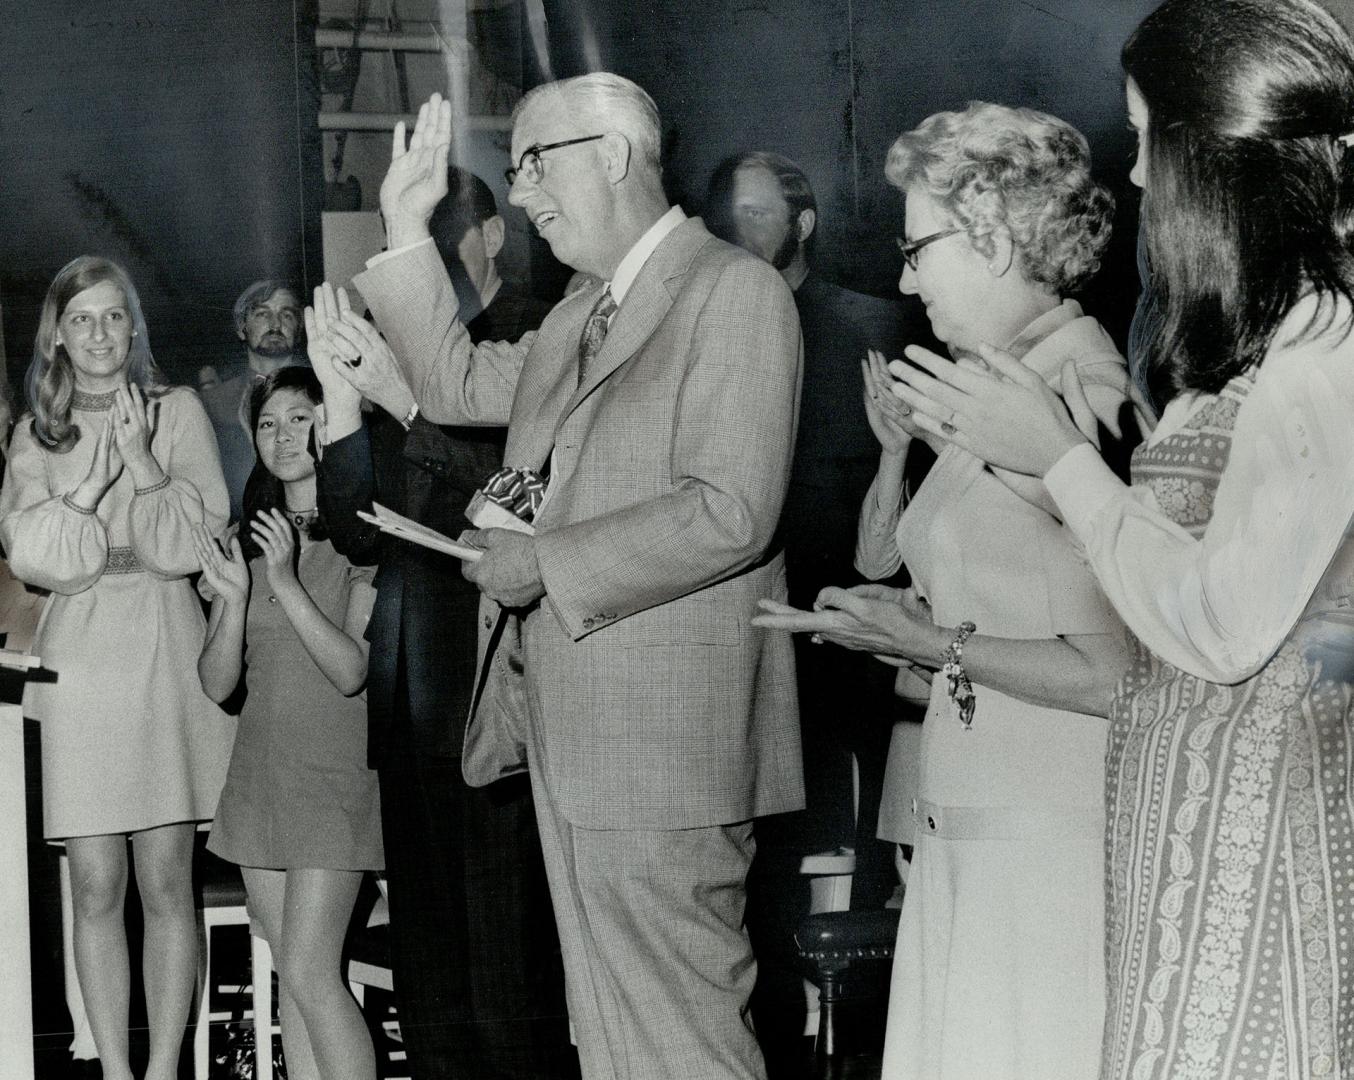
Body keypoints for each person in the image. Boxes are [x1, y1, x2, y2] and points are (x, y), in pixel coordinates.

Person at [888, 2, 1354, 1076]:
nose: (1136, 175)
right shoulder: (1260, 345)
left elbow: (1225, 627)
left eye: (1147, 137)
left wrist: (1059, 464)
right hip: (1179, 835)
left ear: (1215, 155)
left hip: (1251, 849)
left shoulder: (1323, 350)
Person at [321, 76, 804, 1080]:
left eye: (537, 161)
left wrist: (540, 561)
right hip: (577, 744)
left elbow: (729, 509)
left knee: (686, 1039)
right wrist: (405, 226)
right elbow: (453, 385)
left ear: (616, 154)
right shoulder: (583, 314)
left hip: (665, 750)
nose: (524, 189)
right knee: (619, 1044)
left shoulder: (733, 292)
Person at [754, 102, 1136, 1080]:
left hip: (1043, 857)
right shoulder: (1001, 386)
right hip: (969, 837)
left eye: (918, 247)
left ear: (995, 239)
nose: (903, 276)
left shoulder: (1076, 396)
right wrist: (900, 624)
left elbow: (1110, 676)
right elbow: (1008, 603)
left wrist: (931, 648)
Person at [308, 163, 572, 1080]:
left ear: (492, 239)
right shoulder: (395, 346)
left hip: (498, 690)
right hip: (411, 694)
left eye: (430, 239)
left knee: (509, 973)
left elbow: (524, 502)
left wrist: (399, 400)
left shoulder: (541, 334)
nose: (410, 272)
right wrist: (343, 413)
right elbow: (356, 530)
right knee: (431, 975)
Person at [706, 149, 914, 1071]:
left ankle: (863, 1051)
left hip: (853, 643)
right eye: (728, 215)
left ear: (805, 221)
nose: (736, 231)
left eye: (756, 212)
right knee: (759, 862)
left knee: (867, 869)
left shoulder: (875, 327)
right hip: (747, 639)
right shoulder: (706, 327)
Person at [0, 255, 232, 1080]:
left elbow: (190, 547)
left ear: (135, 329)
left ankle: (164, 1068)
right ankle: (115, 1073)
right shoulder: (37, 434)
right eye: (82, 319)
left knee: (167, 881)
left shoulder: (180, 412)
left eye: (113, 317)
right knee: (95, 885)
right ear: (57, 336)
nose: (99, 334)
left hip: (167, 651)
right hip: (82, 663)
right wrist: (91, 491)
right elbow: (34, 558)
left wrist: (140, 463)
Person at [193, 366, 381, 1080]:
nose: (283, 436)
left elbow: (350, 670)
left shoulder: (364, 536)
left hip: (335, 779)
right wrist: (237, 598)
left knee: (310, 970)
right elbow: (217, 683)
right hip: (262, 775)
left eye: (301, 418)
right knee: (290, 976)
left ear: (329, 427)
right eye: (269, 424)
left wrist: (284, 584)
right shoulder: (251, 538)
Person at [200, 280, 306, 521]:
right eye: (262, 314)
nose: (275, 324)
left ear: (298, 330)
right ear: (241, 327)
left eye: (287, 315)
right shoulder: (213, 403)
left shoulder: (319, 394)